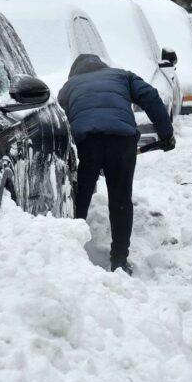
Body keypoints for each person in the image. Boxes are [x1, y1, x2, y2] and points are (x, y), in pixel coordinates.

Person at [58, 54, 175, 275]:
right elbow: (150, 95)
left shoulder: (69, 86)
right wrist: (166, 133)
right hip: (122, 141)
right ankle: (119, 261)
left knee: (80, 199)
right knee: (120, 200)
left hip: (86, 143)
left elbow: (61, 119)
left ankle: (71, 256)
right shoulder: (122, 76)